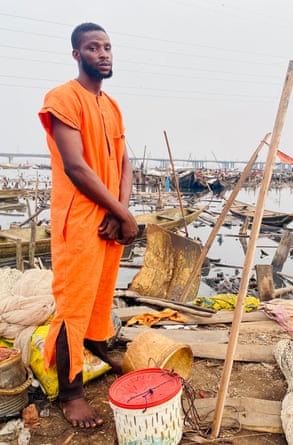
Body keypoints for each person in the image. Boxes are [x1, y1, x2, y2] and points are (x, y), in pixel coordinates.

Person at [38, 22, 138, 428]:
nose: (103, 54)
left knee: (100, 295)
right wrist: (124, 215)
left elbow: (126, 163)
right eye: (93, 48)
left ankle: (98, 348)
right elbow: (76, 167)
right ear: (77, 55)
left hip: (109, 218)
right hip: (79, 220)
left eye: (108, 47)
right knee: (74, 305)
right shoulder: (63, 98)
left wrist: (119, 213)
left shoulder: (111, 106)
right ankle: (72, 393)